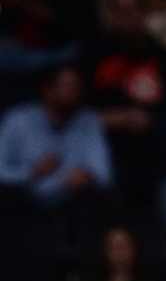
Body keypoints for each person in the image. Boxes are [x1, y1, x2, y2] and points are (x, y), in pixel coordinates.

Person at [0, 63, 112, 210]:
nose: (74, 92)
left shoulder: (88, 120)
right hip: (21, 201)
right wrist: (32, 173)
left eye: (77, 87)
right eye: (68, 86)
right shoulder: (18, 120)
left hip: (72, 205)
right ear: (47, 89)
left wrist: (88, 175)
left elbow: (103, 172)